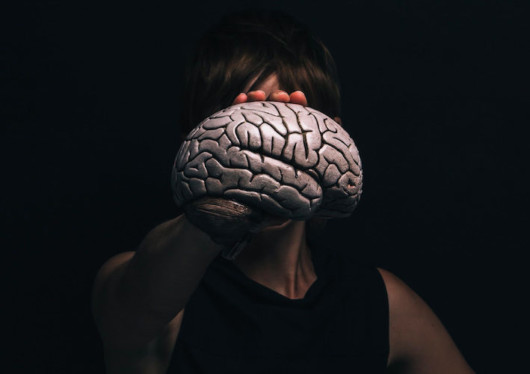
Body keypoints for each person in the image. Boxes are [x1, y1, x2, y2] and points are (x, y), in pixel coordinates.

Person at [92, 9, 475, 374]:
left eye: (282, 119)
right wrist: (213, 216)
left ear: (336, 135)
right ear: (191, 141)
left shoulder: (382, 305)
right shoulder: (153, 289)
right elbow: (135, 312)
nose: (266, 147)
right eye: (244, 121)